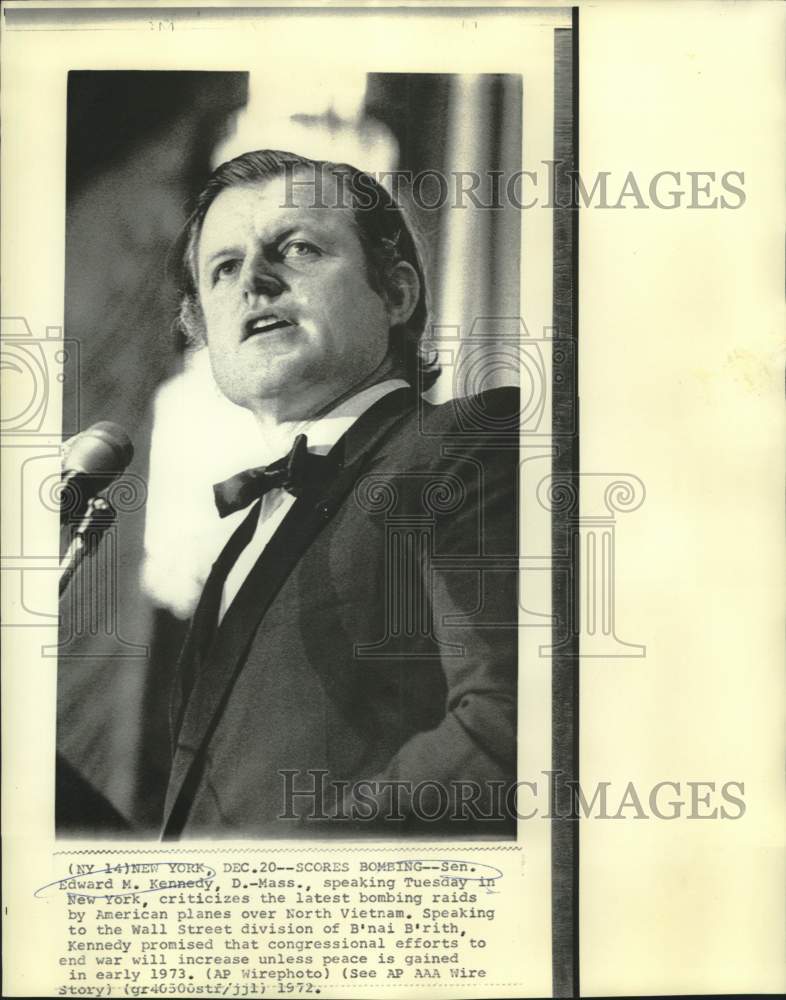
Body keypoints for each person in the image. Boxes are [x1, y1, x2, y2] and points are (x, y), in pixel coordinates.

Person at [162, 149, 519, 839]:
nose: (254, 283)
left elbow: (509, 729)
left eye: (296, 248)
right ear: (203, 330)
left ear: (398, 294)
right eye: (224, 268)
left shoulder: (469, 442)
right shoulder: (244, 537)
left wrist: (277, 892)